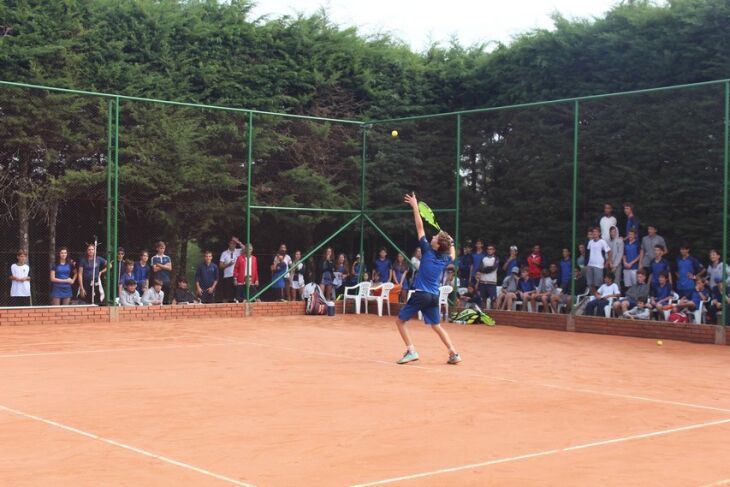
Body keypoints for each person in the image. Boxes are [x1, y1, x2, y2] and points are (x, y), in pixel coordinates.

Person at [395, 192, 461, 365]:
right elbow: (453, 254)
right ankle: (453, 353)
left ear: (437, 245)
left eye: (435, 238)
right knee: (436, 325)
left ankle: (411, 350)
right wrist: (452, 243)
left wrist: (415, 206)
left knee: (400, 321)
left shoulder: (427, 250)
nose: (432, 237)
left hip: (422, 294)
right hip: (434, 297)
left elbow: (419, 226)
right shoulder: (444, 258)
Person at [586, 227, 611, 292]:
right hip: (590, 265)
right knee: (590, 283)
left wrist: (607, 262)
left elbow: (609, 252)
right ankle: (592, 296)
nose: (594, 233)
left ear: (599, 233)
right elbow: (588, 253)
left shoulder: (602, 242)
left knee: (598, 283)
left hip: (599, 265)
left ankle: (600, 297)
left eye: (596, 232)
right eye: (593, 231)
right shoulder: (590, 242)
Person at [218, 237, 243, 303]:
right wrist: (228, 264)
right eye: (231, 243)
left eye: (234, 244)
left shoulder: (238, 251)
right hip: (227, 276)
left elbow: (247, 249)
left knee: (237, 296)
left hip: (237, 276)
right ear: (229, 244)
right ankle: (224, 311)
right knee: (226, 296)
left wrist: (238, 242)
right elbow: (220, 266)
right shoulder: (224, 253)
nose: (233, 245)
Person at [476, 243, 499, 308]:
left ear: (494, 250)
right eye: (488, 249)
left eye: (491, 249)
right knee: (483, 300)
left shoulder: (496, 259)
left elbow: (493, 268)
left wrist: (484, 269)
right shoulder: (483, 258)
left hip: (492, 282)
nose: (489, 250)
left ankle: (494, 315)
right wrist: (487, 268)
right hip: (483, 281)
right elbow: (480, 268)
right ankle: (483, 315)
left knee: (493, 300)